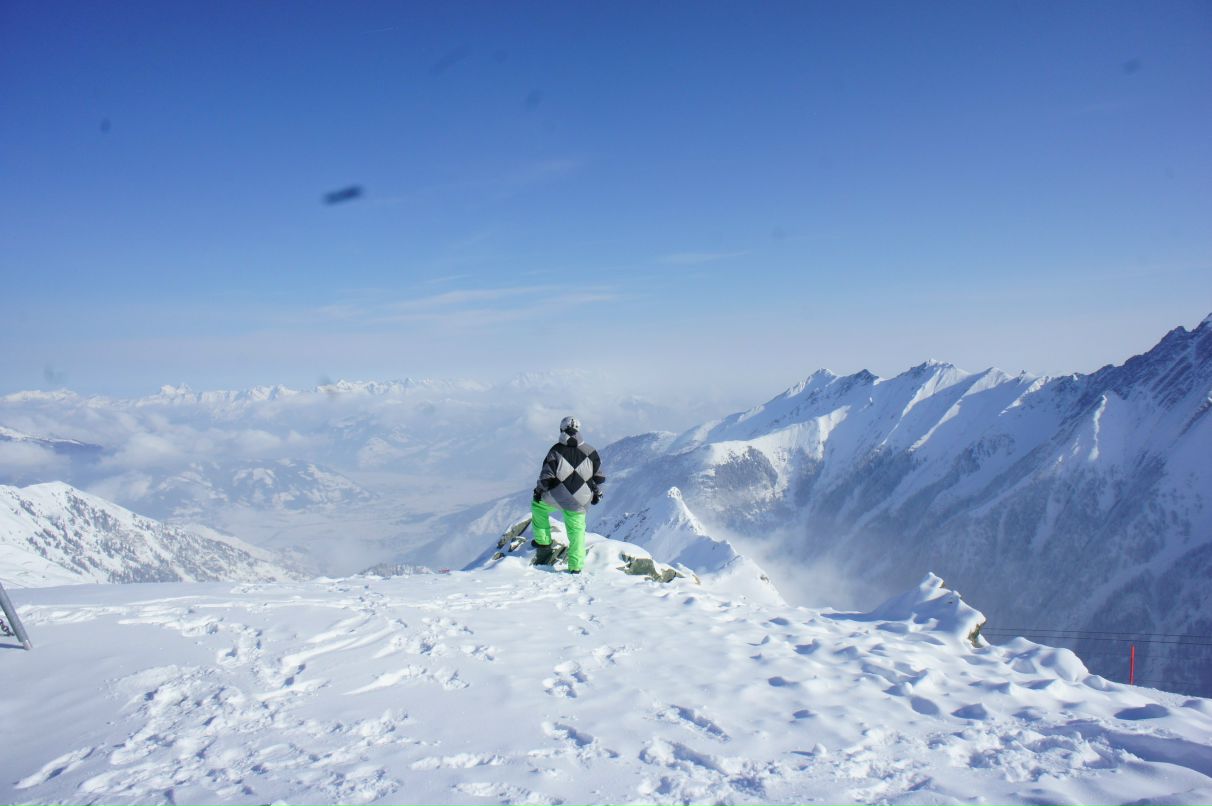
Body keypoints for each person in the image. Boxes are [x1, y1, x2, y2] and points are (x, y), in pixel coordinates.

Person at [531, 416, 605, 574]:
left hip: (557, 496)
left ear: (561, 429)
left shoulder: (556, 450)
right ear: (579, 430)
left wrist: (538, 492)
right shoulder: (591, 451)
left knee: (538, 507)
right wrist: (596, 492)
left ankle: (543, 542)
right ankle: (575, 567)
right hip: (580, 500)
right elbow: (598, 477)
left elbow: (546, 478)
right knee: (576, 531)